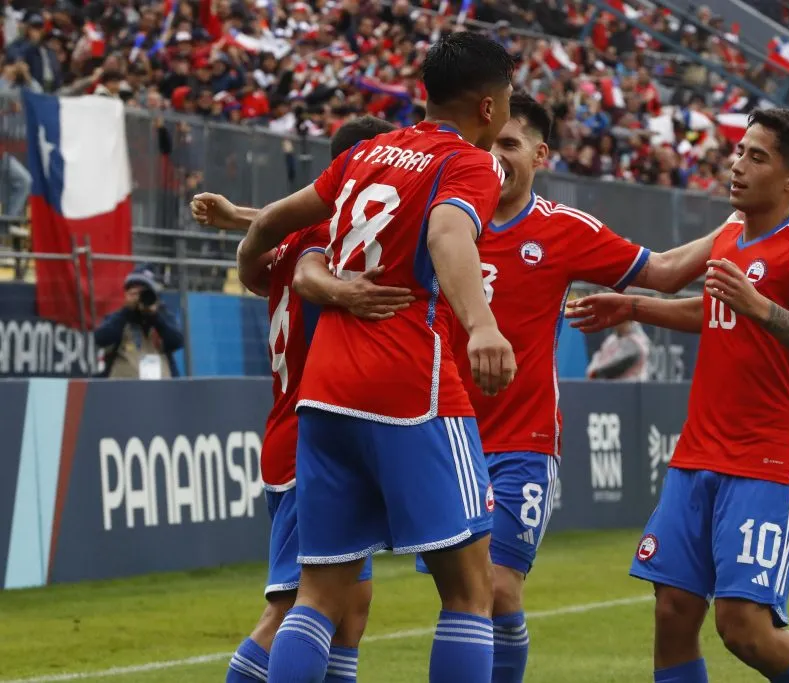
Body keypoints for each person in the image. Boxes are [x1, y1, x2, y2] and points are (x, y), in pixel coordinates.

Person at [406, 91, 731, 683]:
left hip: (522, 441)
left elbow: (662, 272)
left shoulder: (561, 229)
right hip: (442, 436)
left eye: (511, 144)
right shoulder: (439, 216)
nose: (496, 156)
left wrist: (740, 221)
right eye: (490, 143)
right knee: (463, 597)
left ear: (540, 155)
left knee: (498, 588)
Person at [238, 32, 517, 683]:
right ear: (488, 106)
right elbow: (447, 232)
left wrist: (250, 261)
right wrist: (482, 325)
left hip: (324, 393)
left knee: (317, 596)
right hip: (409, 388)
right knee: (470, 589)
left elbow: (273, 221)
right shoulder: (471, 163)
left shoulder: (364, 153)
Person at [567, 108, 789, 683]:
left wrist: (760, 306)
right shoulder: (728, 236)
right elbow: (711, 306)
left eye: (756, 157)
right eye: (740, 151)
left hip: (765, 458)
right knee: (672, 611)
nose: (737, 165)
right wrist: (634, 305)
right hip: (697, 454)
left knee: (744, 628)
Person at [192, 117, 410, 683]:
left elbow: (277, 234)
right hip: (309, 441)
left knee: (351, 609)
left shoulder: (304, 237)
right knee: (294, 606)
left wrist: (238, 219)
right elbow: (317, 258)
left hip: (311, 435)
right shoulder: (337, 243)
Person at [93, 265, 184, 379]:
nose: (141, 297)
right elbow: (100, 338)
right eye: (135, 292)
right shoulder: (119, 318)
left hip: (161, 387)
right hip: (124, 387)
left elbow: (177, 341)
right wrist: (127, 310)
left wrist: (155, 317)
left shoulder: (163, 316)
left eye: (145, 293)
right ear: (127, 294)